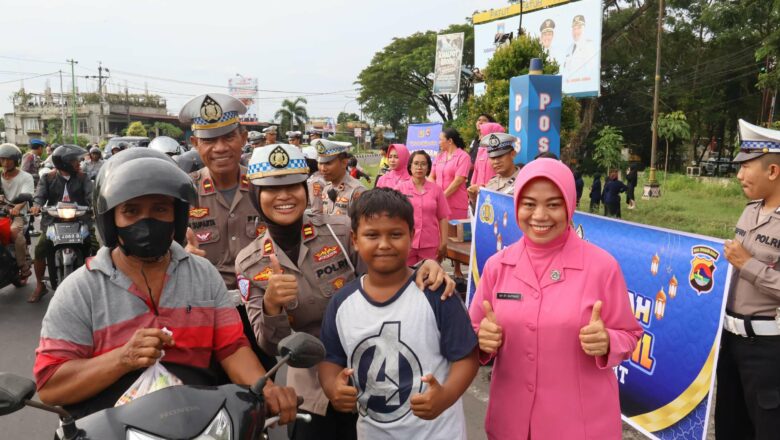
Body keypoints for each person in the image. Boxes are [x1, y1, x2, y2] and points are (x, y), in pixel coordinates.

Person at [33, 153, 298, 422]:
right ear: (111, 219)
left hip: (198, 423)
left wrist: (266, 388)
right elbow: (51, 387)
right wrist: (122, 359)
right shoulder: (80, 290)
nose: (146, 223)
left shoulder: (202, 274)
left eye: (160, 209)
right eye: (131, 211)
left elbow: (231, 347)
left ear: (178, 216)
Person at [234, 145, 455, 439]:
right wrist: (272, 306)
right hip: (312, 393)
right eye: (272, 189)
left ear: (305, 189)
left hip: (374, 377)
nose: (284, 196)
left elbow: (388, 278)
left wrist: (426, 266)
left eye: (292, 186)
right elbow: (271, 346)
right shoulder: (250, 263)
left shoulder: (339, 232)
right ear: (256, 197)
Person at [469, 158, 642, 439]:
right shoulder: (497, 266)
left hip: (580, 425)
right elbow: (474, 330)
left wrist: (609, 341)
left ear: (569, 205)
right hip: (512, 423)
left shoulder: (601, 267)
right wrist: (482, 340)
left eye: (553, 204)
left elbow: (630, 334)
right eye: (528, 204)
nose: (539, 215)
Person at [319, 188, 478, 440]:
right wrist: (332, 387)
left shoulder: (436, 294)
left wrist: (445, 396)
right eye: (372, 235)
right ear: (355, 240)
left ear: (412, 235)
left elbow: (467, 356)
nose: (384, 244)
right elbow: (331, 359)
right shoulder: (341, 303)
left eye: (395, 234)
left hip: (437, 433)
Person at [177, 93, 275, 371]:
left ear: (243, 138)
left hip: (257, 309)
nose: (220, 148)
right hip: (204, 311)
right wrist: (179, 253)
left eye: (229, 137)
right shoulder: (182, 192)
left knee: (262, 392)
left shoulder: (265, 187)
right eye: (209, 140)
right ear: (195, 143)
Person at [715, 119, 780, 440]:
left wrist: (749, 265)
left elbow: (746, 264)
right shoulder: (750, 210)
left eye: (746, 167)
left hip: (768, 350)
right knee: (729, 424)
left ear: (772, 171)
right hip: (730, 342)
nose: (739, 175)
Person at [29, 144, 93, 303]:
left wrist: (96, 205)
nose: (79, 163)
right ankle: (40, 285)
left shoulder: (83, 177)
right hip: (53, 221)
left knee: (96, 246)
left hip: (80, 219)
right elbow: (39, 195)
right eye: (75, 161)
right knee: (40, 249)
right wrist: (37, 205)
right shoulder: (48, 178)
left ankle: (97, 284)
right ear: (64, 163)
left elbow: (91, 195)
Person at [430, 128, 471, 279]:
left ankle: (458, 269)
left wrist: (442, 196)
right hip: (439, 202)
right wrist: (434, 192)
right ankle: (438, 266)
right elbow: (431, 176)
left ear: (450, 140)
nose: (439, 142)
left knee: (456, 237)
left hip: (456, 203)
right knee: (439, 235)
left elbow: (459, 180)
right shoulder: (439, 157)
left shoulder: (463, 157)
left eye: (440, 139)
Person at [397, 150, 450, 265]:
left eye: (423, 164)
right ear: (410, 166)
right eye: (416, 163)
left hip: (430, 244)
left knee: (429, 279)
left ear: (428, 167)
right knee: (407, 279)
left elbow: (443, 217)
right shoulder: (400, 189)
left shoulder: (437, 190)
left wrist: (444, 242)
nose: (419, 167)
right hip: (406, 243)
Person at [0, 143, 34, 283]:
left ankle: (23, 266)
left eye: (9, 159)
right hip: (1, 213)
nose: (5, 163)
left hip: (18, 215)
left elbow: (26, 196)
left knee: (13, 232)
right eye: (2, 159)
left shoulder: (25, 177)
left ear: (16, 160)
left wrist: (16, 208)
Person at [309, 138, 365, 216]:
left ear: (344, 163)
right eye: (320, 163)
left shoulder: (357, 191)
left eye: (328, 163)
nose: (322, 168)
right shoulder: (326, 188)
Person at [467, 122, 505, 203]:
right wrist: (471, 189)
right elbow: (476, 172)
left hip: (495, 194)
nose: (480, 137)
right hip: (479, 195)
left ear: (491, 135)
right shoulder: (481, 151)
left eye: (482, 134)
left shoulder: (502, 153)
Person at [482, 132, 521, 197]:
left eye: (500, 156)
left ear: (512, 154)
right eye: (492, 158)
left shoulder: (523, 180)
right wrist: (474, 199)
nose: (496, 161)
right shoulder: (491, 182)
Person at [563, 15, 597, 80]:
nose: (576, 31)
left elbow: (591, 70)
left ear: (584, 29)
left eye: (579, 28)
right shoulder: (569, 49)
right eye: (574, 29)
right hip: (568, 86)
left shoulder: (589, 46)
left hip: (583, 85)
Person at [468, 114, 494, 182]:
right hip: (471, 177)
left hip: (484, 178)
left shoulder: (491, 140)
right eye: (479, 120)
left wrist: (473, 165)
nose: (480, 122)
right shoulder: (474, 140)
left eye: (484, 120)